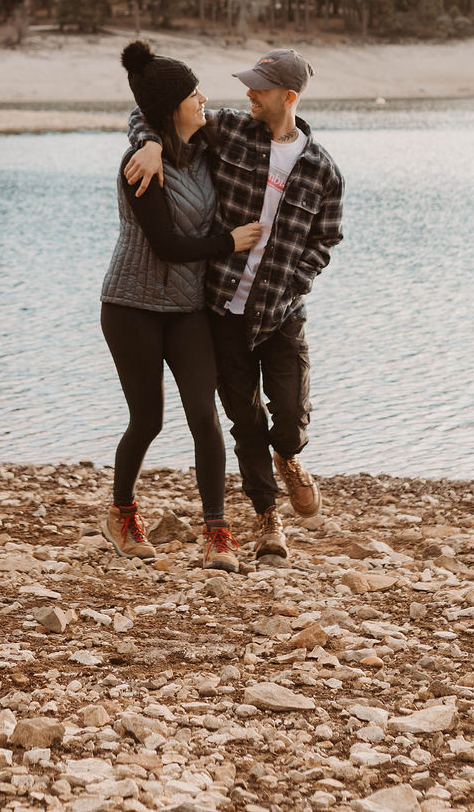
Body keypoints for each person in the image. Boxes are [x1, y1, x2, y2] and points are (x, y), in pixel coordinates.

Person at [124, 48, 344, 562]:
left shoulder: (322, 170)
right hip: (222, 311)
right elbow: (151, 110)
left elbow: (327, 238)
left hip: (282, 313)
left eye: (259, 88)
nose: (248, 94)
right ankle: (269, 525)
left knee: (287, 416)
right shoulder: (229, 132)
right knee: (244, 424)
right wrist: (152, 142)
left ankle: (288, 456)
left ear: (287, 98)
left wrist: (296, 280)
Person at [98, 40, 264, 572]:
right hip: (132, 306)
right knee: (147, 420)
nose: (205, 99)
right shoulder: (140, 167)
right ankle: (121, 514)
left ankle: (218, 532)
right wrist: (228, 242)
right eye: (195, 93)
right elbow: (167, 245)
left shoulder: (203, 145)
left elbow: (143, 115)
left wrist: (146, 133)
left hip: (187, 306)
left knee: (204, 417)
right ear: (173, 106)